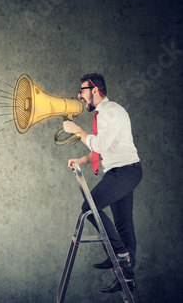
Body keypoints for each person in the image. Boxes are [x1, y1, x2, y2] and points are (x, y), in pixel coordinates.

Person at [62, 73, 142, 294]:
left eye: (82, 90)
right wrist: (83, 160)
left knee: (89, 207)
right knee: (123, 224)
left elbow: (101, 144)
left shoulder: (112, 112)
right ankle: (127, 279)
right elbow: (102, 149)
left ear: (95, 90)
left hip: (126, 172)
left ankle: (119, 252)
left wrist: (78, 130)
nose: (79, 95)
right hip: (119, 171)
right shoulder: (102, 114)